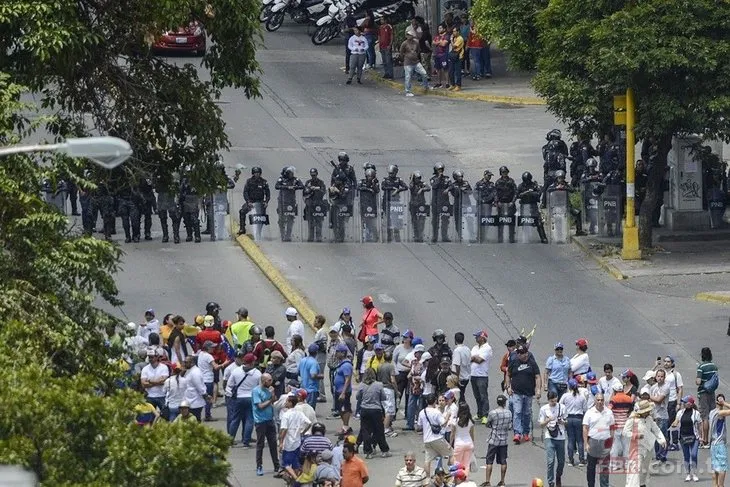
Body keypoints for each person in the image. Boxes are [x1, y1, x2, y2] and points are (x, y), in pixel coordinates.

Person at [623, 399, 665, 487]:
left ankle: (642, 484)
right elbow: (625, 432)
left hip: (648, 447)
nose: (648, 412)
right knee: (635, 470)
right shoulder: (632, 419)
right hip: (637, 448)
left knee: (645, 469)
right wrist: (635, 435)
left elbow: (656, 430)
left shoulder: (649, 419)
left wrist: (662, 440)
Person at [506, 344, 541, 443]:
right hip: (517, 392)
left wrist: (538, 389)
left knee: (526, 413)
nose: (522, 355)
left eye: (524, 353)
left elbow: (537, 376)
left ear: (527, 353)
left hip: (529, 393)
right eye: (520, 353)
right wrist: (508, 387)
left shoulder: (532, 363)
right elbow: (508, 375)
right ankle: (517, 433)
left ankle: (526, 432)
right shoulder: (514, 362)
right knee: (517, 412)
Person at [226, 353, 261, 446]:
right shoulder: (257, 373)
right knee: (250, 419)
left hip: (239, 398)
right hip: (251, 398)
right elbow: (259, 387)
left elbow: (229, 384)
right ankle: (246, 441)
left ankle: (230, 440)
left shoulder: (236, 371)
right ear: (252, 362)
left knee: (235, 419)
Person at [582, 393, 614, 487]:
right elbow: (585, 428)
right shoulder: (589, 412)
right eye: (598, 400)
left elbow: (612, 428)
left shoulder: (608, 412)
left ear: (604, 401)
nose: (600, 402)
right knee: (591, 468)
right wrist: (586, 443)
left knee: (604, 469)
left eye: (601, 400)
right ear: (595, 401)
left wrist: (611, 442)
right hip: (593, 442)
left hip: (605, 443)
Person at [358, 368, 391, 458]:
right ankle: (384, 450)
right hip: (376, 410)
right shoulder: (379, 385)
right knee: (379, 430)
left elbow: (358, 397)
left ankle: (368, 452)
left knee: (365, 431)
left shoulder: (362, 385)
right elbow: (383, 397)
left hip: (364, 409)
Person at [419, 393, 453, 477]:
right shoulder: (436, 412)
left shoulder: (422, 412)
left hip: (427, 439)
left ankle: (427, 478)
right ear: (435, 401)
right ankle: (453, 474)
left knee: (427, 460)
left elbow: (419, 426)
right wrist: (448, 416)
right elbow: (443, 424)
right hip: (437, 438)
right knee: (451, 453)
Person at [252, 373, 280, 476]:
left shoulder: (270, 389)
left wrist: (272, 394)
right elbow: (260, 406)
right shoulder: (256, 391)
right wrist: (270, 400)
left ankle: (276, 465)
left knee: (273, 443)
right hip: (260, 421)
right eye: (269, 380)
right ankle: (259, 466)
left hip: (269, 419)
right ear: (264, 381)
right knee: (260, 444)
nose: (271, 382)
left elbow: (274, 400)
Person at [539, 391, 566, 487]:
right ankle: (551, 481)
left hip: (560, 436)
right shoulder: (544, 409)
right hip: (549, 436)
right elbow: (541, 424)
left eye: (555, 401)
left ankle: (558, 476)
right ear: (548, 400)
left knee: (561, 461)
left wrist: (561, 421)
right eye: (551, 401)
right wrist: (548, 420)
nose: (553, 403)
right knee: (550, 461)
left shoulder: (562, 407)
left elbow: (566, 421)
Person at [279, 394, 312, 472]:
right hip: (297, 441)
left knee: (286, 464)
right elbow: (309, 423)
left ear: (290, 403)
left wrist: (281, 442)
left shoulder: (286, 415)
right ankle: (296, 478)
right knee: (295, 464)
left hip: (288, 443)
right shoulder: (299, 413)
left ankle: (295, 479)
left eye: (287, 401)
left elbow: (284, 429)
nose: (285, 403)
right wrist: (302, 432)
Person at [672, 395, 701, 481]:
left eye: (685, 402)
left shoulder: (696, 413)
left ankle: (694, 473)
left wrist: (701, 436)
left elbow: (700, 425)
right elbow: (676, 420)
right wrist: (674, 424)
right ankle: (688, 474)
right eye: (683, 402)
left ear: (690, 403)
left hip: (694, 436)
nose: (683, 403)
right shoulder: (680, 412)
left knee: (694, 454)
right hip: (683, 437)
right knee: (686, 456)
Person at [485, 394, 511, 487]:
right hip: (504, 440)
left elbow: (487, 423)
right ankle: (502, 481)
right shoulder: (509, 413)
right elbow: (509, 426)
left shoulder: (493, 413)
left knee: (489, 461)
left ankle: (488, 481)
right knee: (503, 461)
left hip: (493, 439)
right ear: (504, 403)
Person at [559, 378, 587, 466]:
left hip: (568, 418)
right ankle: (582, 460)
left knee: (570, 439)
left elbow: (560, 405)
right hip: (578, 418)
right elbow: (585, 409)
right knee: (580, 440)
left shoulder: (565, 396)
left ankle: (571, 460)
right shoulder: (582, 397)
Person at [607, 381, 633, 470]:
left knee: (615, 446)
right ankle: (627, 464)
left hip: (616, 425)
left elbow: (609, 411)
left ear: (614, 390)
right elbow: (631, 411)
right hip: (626, 425)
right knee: (627, 446)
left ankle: (614, 465)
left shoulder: (613, 399)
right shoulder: (629, 399)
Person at [238, 166, 270, 236]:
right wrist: (248, 202)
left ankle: (259, 232)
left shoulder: (264, 182)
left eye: (258, 173)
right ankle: (242, 228)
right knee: (242, 211)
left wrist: (266, 202)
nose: (257, 174)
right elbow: (245, 192)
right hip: (251, 202)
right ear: (253, 173)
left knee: (261, 217)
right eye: (255, 173)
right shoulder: (249, 181)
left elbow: (268, 193)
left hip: (260, 202)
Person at [469, 330, 492, 423]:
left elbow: (479, 360)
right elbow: (469, 358)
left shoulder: (487, 348)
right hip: (473, 375)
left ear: (482, 338)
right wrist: (474, 357)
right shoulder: (474, 347)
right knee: (477, 396)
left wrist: (474, 357)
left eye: (477, 337)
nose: (476, 338)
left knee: (483, 396)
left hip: (482, 376)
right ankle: (479, 413)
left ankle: (485, 415)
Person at [698, 347, 718, 447]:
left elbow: (698, 381)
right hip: (712, 392)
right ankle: (713, 438)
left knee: (704, 417)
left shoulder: (701, 367)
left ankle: (705, 440)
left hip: (703, 392)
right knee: (712, 415)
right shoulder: (714, 366)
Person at [400, 27, 429, 97]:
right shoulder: (404, 43)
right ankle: (407, 91)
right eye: (408, 35)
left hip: (416, 62)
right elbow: (401, 52)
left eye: (411, 35)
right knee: (408, 77)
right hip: (408, 62)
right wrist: (406, 57)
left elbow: (418, 50)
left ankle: (425, 86)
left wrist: (414, 55)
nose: (409, 36)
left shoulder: (416, 42)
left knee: (424, 73)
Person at [333, 343, 354, 436]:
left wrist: (343, 392)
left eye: (337, 352)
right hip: (338, 390)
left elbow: (347, 379)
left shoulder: (346, 365)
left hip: (343, 391)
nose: (336, 354)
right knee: (340, 409)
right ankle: (345, 426)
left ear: (342, 353)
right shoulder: (341, 364)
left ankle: (346, 427)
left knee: (344, 409)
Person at [650, 368, 671, 462]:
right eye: (658, 376)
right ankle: (657, 454)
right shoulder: (653, 387)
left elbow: (659, 400)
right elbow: (651, 401)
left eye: (662, 376)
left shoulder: (666, 387)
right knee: (655, 436)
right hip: (654, 414)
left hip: (662, 415)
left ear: (664, 378)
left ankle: (663, 454)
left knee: (662, 435)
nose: (660, 378)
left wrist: (649, 396)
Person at [303, 167, 328, 242]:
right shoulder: (308, 182)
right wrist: (310, 189)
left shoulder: (321, 182)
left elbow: (323, 191)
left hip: (319, 203)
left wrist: (317, 188)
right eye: (312, 175)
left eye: (314, 175)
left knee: (319, 221)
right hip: (310, 204)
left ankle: (319, 237)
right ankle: (310, 237)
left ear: (317, 174)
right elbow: (305, 193)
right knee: (310, 221)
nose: (313, 176)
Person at [711, 394, 730, 487]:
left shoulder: (712, 412)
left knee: (715, 467)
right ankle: (721, 485)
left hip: (713, 444)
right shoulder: (720, 413)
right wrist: (724, 403)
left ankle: (715, 485)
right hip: (720, 444)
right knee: (722, 467)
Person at [450, 403, 475, 475]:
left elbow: (452, 434)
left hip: (459, 444)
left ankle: (458, 480)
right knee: (466, 464)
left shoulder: (455, 421)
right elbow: (472, 434)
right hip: (469, 444)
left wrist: (450, 444)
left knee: (457, 464)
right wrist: (473, 444)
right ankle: (465, 479)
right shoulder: (470, 421)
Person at [451, 332, 471, 403]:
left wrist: (457, 378)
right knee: (461, 395)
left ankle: (463, 411)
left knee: (459, 397)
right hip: (466, 376)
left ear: (455, 340)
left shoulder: (457, 350)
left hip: (460, 378)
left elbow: (457, 365)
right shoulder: (467, 349)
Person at [432, 24, 450, 89]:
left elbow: (444, 44)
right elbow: (433, 42)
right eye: (438, 28)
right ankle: (439, 83)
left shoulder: (447, 36)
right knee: (438, 69)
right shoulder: (437, 36)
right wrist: (440, 42)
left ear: (444, 29)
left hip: (444, 55)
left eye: (440, 28)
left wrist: (438, 42)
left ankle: (447, 83)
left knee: (445, 69)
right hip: (437, 55)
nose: (439, 29)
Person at [447, 26, 464, 91]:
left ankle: (458, 85)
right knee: (451, 71)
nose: (453, 32)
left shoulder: (460, 38)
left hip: (458, 57)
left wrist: (451, 40)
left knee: (457, 72)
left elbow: (454, 46)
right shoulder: (455, 38)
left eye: (454, 31)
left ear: (458, 32)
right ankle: (452, 84)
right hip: (453, 56)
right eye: (453, 31)